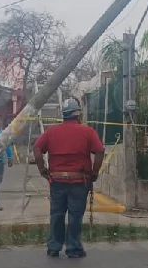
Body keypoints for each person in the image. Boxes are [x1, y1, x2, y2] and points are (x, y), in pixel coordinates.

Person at [33, 99, 104, 259]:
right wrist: (94, 172)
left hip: (57, 181)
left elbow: (37, 148)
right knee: (75, 214)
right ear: (77, 113)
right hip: (79, 181)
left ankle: (54, 247)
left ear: (63, 115)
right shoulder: (88, 132)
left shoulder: (51, 132)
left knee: (57, 213)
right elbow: (99, 151)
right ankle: (73, 248)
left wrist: (42, 169)